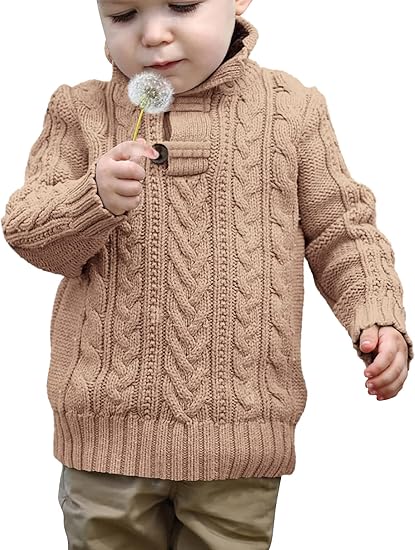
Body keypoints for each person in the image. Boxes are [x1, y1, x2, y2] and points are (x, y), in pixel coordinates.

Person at [1, 0, 412, 548]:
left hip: (241, 439)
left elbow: (342, 229)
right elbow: (28, 232)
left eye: (182, 5)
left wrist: (377, 314)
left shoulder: (292, 111)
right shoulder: (80, 111)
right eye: (123, 14)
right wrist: (91, 197)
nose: (153, 34)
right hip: (105, 438)